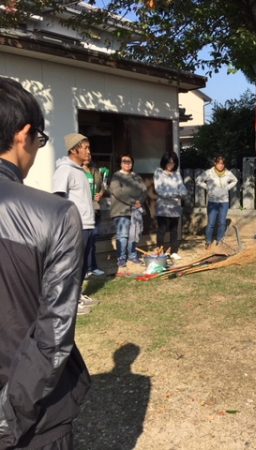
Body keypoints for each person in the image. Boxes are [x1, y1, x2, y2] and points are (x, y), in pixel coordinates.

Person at [0, 76, 90, 449]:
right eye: (39, 140)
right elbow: (53, 337)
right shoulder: (53, 214)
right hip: (32, 414)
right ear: (24, 134)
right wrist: (6, 419)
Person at [53, 132, 97, 313]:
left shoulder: (80, 170)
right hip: (75, 226)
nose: (88, 152)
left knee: (83, 265)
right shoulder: (65, 170)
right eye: (85, 148)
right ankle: (70, 303)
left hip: (87, 224)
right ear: (73, 150)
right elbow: (58, 198)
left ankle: (77, 296)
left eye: (88, 148)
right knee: (73, 265)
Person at [109, 153, 147, 267]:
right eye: (124, 161)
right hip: (121, 210)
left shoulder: (137, 177)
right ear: (120, 163)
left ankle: (133, 255)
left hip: (135, 210)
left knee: (134, 234)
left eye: (129, 161)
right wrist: (133, 202)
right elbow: (118, 192)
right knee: (123, 235)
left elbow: (144, 191)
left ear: (132, 163)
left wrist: (140, 201)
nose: (127, 163)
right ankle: (121, 257)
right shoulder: (117, 176)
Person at [196, 155, 238, 248]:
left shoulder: (228, 173)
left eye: (222, 163)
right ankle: (208, 241)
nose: (221, 165)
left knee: (222, 222)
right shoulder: (209, 172)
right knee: (211, 223)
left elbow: (235, 180)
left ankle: (220, 240)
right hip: (212, 201)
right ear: (215, 163)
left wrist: (227, 187)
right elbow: (198, 180)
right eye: (219, 163)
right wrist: (208, 187)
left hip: (224, 201)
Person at [154, 151, 188, 259]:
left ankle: (173, 252)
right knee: (162, 230)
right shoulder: (159, 173)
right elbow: (159, 190)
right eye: (168, 163)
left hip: (175, 207)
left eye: (173, 163)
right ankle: (160, 251)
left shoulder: (177, 174)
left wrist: (179, 194)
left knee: (174, 230)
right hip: (163, 207)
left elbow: (183, 189)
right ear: (164, 162)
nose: (170, 165)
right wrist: (175, 195)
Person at [82, 152, 106, 277]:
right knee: (84, 242)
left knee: (93, 239)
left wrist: (101, 194)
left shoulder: (95, 170)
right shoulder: (77, 171)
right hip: (82, 210)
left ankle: (93, 267)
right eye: (85, 155)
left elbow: (102, 186)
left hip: (95, 208)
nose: (87, 157)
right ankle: (84, 268)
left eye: (89, 156)